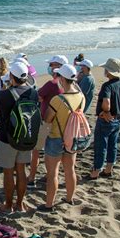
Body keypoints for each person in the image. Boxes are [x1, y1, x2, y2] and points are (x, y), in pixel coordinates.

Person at [0, 62, 38, 213]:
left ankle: (8, 205)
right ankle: (20, 204)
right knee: (21, 170)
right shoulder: (33, 93)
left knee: (8, 172)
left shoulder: (4, 94)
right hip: (25, 136)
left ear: (11, 76)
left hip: (7, 137)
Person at [39, 64, 84, 211]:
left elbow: (48, 119)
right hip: (72, 137)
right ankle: (69, 198)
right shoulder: (81, 96)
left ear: (62, 79)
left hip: (56, 137)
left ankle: (49, 204)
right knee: (70, 169)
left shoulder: (58, 100)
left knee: (53, 173)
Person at [89, 58, 120, 179]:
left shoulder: (107, 86)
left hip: (106, 120)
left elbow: (106, 101)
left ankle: (96, 172)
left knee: (101, 146)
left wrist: (106, 111)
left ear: (109, 72)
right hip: (117, 119)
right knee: (112, 145)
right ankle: (108, 169)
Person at [27, 55, 68, 188]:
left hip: (46, 121)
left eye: (51, 65)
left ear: (58, 67)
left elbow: (38, 97)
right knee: (55, 153)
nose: (49, 67)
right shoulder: (69, 84)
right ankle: (48, 175)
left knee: (36, 151)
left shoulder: (53, 83)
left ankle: (32, 177)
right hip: (62, 123)